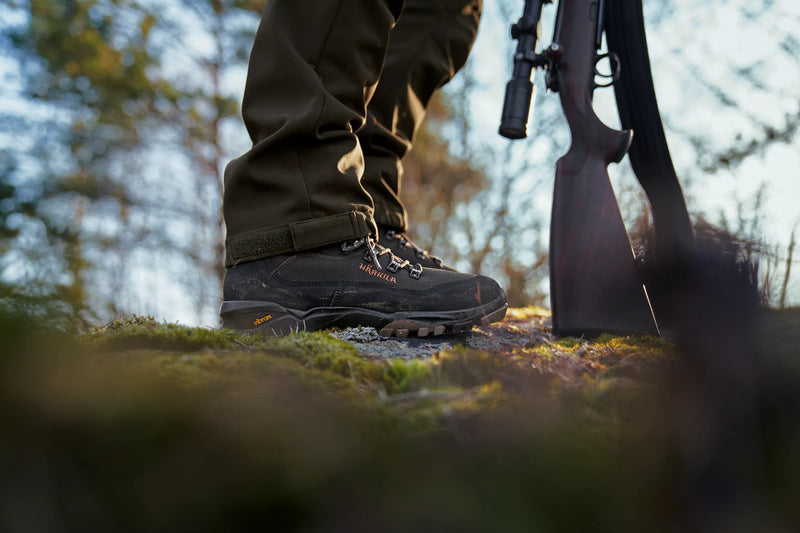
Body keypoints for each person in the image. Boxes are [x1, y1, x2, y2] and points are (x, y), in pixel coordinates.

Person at [219, 0, 507, 337]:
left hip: (362, 201)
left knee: (447, 11)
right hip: (295, 221)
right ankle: (303, 225)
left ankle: (365, 216)